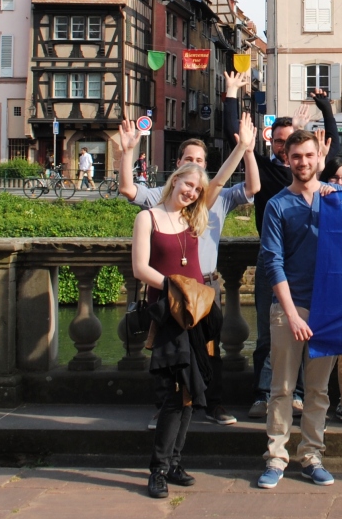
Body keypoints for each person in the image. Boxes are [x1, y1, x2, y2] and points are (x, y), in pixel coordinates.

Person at [118, 107, 260, 426]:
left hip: (203, 284)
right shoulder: (160, 199)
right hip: (167, 286)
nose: (194, 166)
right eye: (189, 159)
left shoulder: (203, 200)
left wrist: (245, 148)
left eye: (200, 161)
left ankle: (211, 404)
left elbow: (238, 185)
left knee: (208, 349)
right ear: (178, 164)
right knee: (167, 352)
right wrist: (127, 151)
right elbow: (128, 189)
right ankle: (167, 408)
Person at [222, 75, 341, 421]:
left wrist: (324, 106)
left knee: (308, 339)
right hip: (272, 265)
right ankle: (263, 391)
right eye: (279, 142)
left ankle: (300, 395)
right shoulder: (265, 172)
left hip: (310, 271)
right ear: (276, 147)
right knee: (267, 337)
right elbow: (237, 137)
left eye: (291, 143)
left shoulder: (319, 183)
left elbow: (327, 140)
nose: (286, 150)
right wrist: (231, 95)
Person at [256, 130, 342, 489]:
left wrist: (337, 204)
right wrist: (292, 313)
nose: (303, 162)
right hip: (289, 307)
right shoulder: (278, 204)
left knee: (318, 390)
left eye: (309, 156)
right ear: (287, 158)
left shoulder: (336, 197)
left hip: (328, 308)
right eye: (296, 157)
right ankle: (276, 457)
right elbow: (272, 261)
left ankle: (311, 455)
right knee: (281, 388)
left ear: (318, 157)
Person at [131, 163, 219, 498]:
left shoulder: (192, 220)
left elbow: (196, 269)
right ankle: (158, 469)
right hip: (168, 316)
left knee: (190, 395)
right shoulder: (148, 218)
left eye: (198, 190)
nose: (192, 192)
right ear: (175, 179)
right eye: (189, 185)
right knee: (171, 396)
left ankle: (175, 462)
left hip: (195, 317)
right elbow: (141, 268)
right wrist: (176, 287)